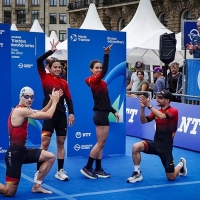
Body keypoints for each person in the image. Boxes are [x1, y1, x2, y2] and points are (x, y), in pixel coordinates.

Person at [0, 87, 61, 197]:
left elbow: (42, 112)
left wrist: (51, 101)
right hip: (14, 155)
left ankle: (37, 186)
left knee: (50, 157)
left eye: (32, 97)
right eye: (26, 97)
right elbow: (48, 115)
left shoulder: (25, 110)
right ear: (20, 97)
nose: (29, 99)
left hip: (22, 152)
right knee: (9, 192)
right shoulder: (20, 111)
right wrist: (56, 102)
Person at [126, 90, 187, 183]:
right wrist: (142, 108)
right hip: (155, 144)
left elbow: (162, 116)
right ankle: (137, 173)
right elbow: (143, 121)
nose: (157, 99)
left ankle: (181, 164)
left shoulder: (174, 111)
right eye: (157, 97)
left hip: (166, 148)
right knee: (135, 147)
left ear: (167, 100)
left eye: (160, 98)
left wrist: (149, 105)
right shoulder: (156, 111)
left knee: (171, 177)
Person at [35, 40, 75, 181]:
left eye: (60, 67)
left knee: (60, 143)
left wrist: (71, 113)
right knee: (44, 144)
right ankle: (38, 172)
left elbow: (69, 99)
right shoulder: (44, 77)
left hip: (61, 117)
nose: (58, 69)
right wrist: (51, 51)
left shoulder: (64, 82)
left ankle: (60, 170)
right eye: (55, 67)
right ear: (49, 68)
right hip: (48, 116)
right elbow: (38, 60)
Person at [80, 44, 120, 179]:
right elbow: (106, 70)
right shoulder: (94, 80)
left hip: (103, 113)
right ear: (91, 70)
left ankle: (98, 168)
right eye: (96, 68)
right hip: (100, 115)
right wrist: (107, 54)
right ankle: (87, 167)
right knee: (100, 143)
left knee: (101, 143)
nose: (99, 70)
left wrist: (113, 111)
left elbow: (106, 100)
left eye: (100, 68)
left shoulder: (102, 83)